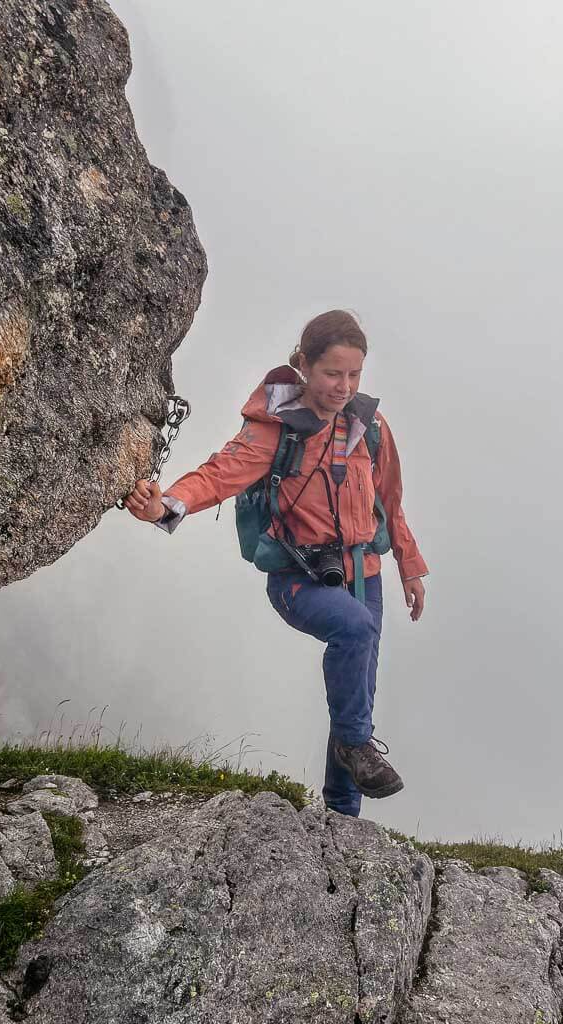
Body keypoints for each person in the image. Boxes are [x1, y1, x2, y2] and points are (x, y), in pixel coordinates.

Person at [124, 309, 428, 817]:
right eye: (333, 373)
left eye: (354, 374)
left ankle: (341, 819)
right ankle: (355, 748)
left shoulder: (371, 428)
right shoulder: (278, 429)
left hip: (364, 575)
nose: (344, 386)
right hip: (298, 579)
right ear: (304, 366)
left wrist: (410, 567)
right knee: (354, 636)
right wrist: (164, 506)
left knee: (357, 697)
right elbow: (218, 474)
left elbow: (390, 502)